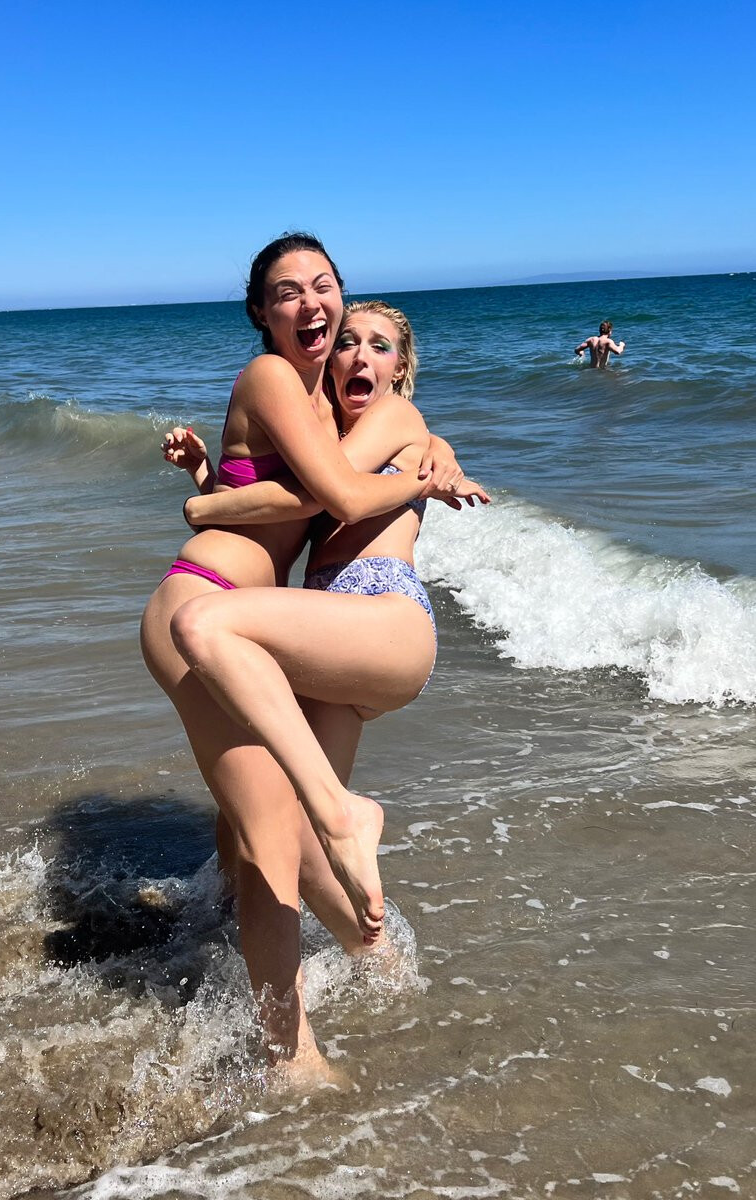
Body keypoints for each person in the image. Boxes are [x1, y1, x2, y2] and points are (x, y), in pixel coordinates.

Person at [141, 233, 480, 1068]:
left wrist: (207, 493)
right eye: (286, 291)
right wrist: (205, 506)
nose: (310, 303)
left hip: (249, 613)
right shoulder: (271, 376)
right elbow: (327, 495)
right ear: (260, 312)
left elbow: (306, 493)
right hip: (206, 603)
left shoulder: (328, 408)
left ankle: (304, 949)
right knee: (273, 837)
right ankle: (292, 1059)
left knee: (255, 830)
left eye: (322, 285)